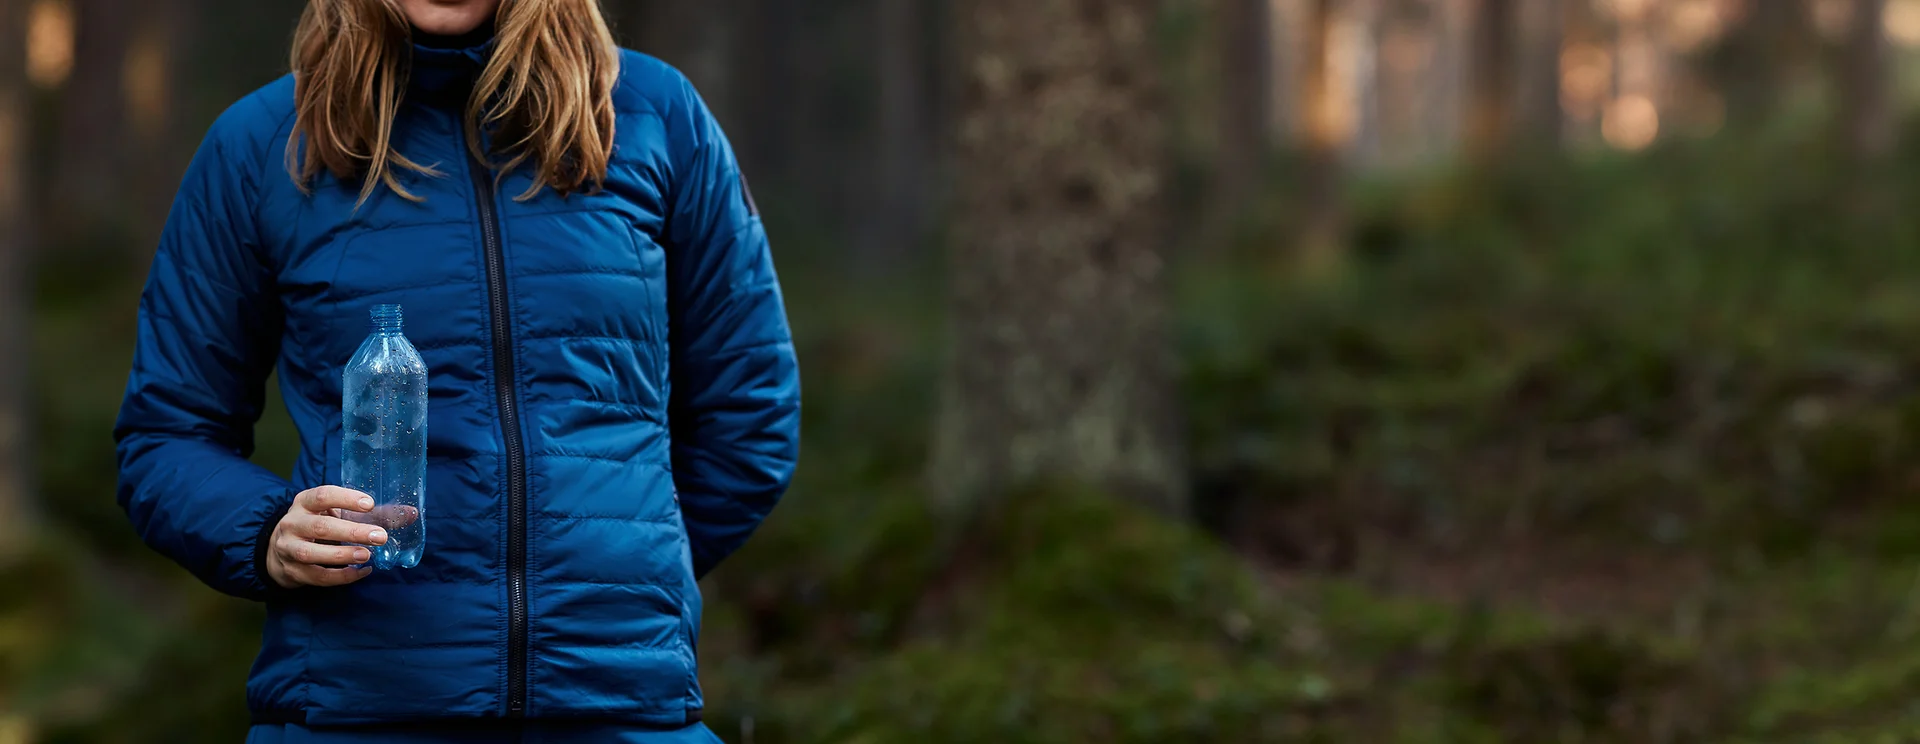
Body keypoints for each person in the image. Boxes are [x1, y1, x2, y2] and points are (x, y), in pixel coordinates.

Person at [111, 0, 801, 740]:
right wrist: (267, 532)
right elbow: (166, 435)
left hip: (626, 709)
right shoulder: (263, 144)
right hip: (359, 709)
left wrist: (621, 569)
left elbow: (750, 412)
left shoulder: (653, 115)